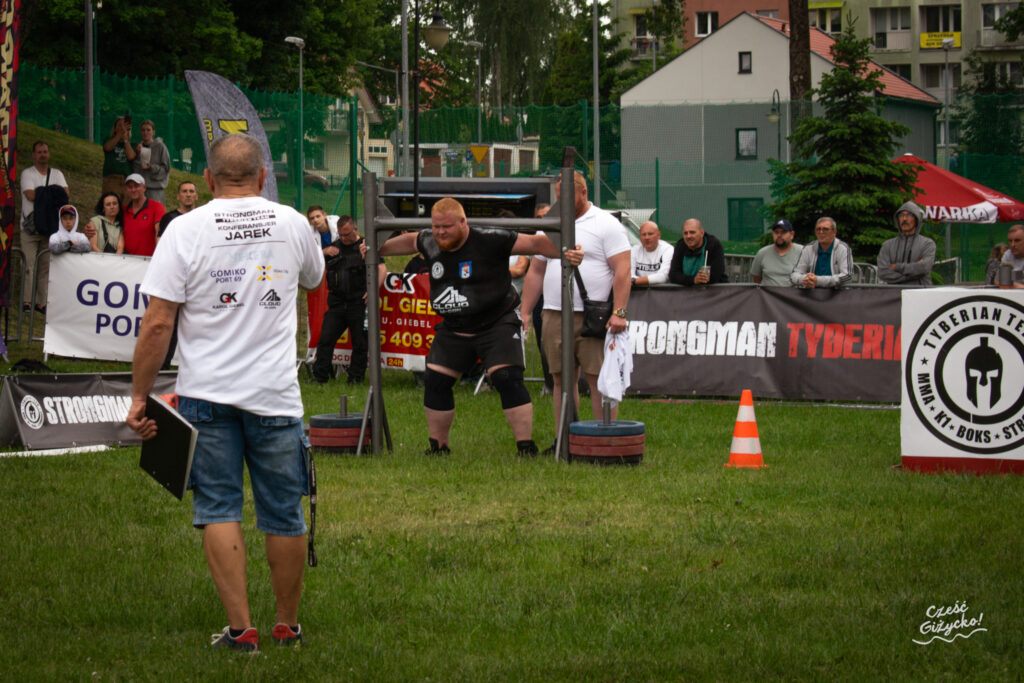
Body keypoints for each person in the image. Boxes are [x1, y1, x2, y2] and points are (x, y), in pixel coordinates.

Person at [127, 133, 324, 651]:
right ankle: (286, 626)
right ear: (263, 178)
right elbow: (313, 278)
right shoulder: (293, 222)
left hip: (206, 395)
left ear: (209, 181)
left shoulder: (184, 229)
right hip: (276, 395)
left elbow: (157, 324)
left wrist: (138, 397)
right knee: (284, 511)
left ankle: (242, 631)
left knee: (218, 507)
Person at [379, 197, 575, 456]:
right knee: (435, 381)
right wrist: (376, 250)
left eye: (447, 227)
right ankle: (438, 447)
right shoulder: (429, 239)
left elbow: (536, 243)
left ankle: (525, 447)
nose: (440, 232)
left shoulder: (491, 238)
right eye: (436, 227)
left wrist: (566, 250)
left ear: (463, 222)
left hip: (497, 322)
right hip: (454, 325)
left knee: (506, 378)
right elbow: (409, 240)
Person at [520, 171, 630, 448]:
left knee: (598, 379)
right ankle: (564, 441)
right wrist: (524, 311)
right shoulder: (552, 224)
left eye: (567, 196)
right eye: (559, 196)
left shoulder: (606, 224)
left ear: (583, 192)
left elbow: (623, 270)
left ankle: (604, 439)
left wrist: (620, 312)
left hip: (593, 315)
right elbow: (536, 270)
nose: (562, 201)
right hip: (555, 312)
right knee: (560, 380)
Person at [312, 216, 370, 385]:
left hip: (358, 302)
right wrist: (324, 252)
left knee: (359, 343)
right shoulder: (334, 248)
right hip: (337, 302)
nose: (344, 239)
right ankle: (320, 377)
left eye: (347, 235)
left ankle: (355, 379)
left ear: (356, 230)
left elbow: (380, 269)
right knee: (325, 340)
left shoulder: (366, 246)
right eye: (341, 235)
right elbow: (311, 262)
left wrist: (372, 290)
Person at [19, 140, 68, 314]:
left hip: (49, 226)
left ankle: (41, 302)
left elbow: (65, 195)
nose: (43, 155)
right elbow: (30, 195)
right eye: (39, 152)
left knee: (45, 266)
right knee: (28, 265)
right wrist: (52, 192)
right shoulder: (27, 174)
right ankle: (26, 301)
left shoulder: (57, 173)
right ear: (33, 154)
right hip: (30, 228)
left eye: (45, 151)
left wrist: (43, 193)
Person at [877, 201, 935, 286]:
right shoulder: (887, 245)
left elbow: (924, 267)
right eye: (901, 215)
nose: (904, 219)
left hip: (920, 293)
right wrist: (912, 275)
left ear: (916, 219)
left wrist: (896, 267)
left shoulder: (927, 244)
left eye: (909, 215)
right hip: (893, 294)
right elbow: (882, 273)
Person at [790, 216, 853, 289]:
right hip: (811, 294)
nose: (821, 232)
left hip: (836, 295)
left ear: (834, 232)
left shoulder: (843, 249)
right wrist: (804, 279)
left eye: (825, 229)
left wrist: (818, 281)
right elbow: (794, 275)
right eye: (818, 229)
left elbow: (848, 276)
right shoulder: (808, 248)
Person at [668, 218, 727, 286]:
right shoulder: (681, 245)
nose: (688, 236)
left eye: (692, 232)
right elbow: (673, 275)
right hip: (687, 292)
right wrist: (694, 280)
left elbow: (715, 276)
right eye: (685, 233)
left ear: (702, 233)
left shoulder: (713, 245)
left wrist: (698, 279)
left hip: (714, 291)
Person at [122, 173, 166, 256]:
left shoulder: (156, 207)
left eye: (136, 186)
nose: (133, 189)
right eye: (130, 187)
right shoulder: (123, 210)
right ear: (126, 190)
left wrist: (160, 255)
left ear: (144, 188)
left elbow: (160, 232)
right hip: (126, 261)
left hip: (148, 261)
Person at [751, 219, 802, 287]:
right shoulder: (762, 253)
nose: (779, 235)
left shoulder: (803, 252)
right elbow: (756, 278)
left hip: (793, 296)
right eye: (776, 232)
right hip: (768, 296)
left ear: (792, 234)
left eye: (783, 232)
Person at [133, 120, 171, 203]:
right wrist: (138, 155)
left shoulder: (161, 147)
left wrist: (152, 167)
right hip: (140, 189)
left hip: (155, 189)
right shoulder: (138, 148)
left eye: (148, 130)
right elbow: (134, 170)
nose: (145, 132)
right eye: (143, 130)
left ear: (153, 132)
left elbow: (166, 169)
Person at [102, 116, 136, 202]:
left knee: (126, 208)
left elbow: (131, 156)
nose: (122, 128)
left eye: (124, 126)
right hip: (112, 179)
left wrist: (125, 139)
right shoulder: (108, 139)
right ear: (115, 128)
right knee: (112, 204)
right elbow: (107, 148)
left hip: (126, 180)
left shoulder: (132, 145)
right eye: (119, 126)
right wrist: (119, 134)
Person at [630, 220, 672, 287]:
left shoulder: (668, 249)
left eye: (650, 234)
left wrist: (635, 281)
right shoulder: (634, 250)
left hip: (661, 294)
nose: (647, 237)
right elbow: (629, 275)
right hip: (639, 294)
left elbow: (663, 276)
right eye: (644, 234)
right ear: (640, 237)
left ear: (659, 235)